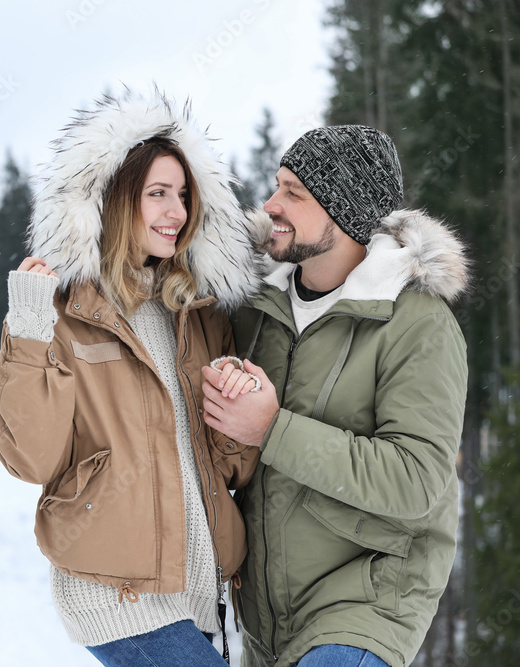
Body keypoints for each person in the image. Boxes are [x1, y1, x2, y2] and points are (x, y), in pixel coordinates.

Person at [0, 87, 264, 666]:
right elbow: (31, 458)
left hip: (198, 593)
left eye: (184, 196)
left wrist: (241, 405)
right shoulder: (67, 312)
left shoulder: (199, 310)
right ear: (113, 201)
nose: (177, 213)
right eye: (158, 194)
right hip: (117, 592)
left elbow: (233, 465)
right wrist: (30, 326)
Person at [199, 125, 469, 667]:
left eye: (294, 193)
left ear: (346, 213)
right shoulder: (256, 307)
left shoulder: (417, 324)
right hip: (266, 612)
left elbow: (415, 479)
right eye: (276, 185)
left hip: (369, 597)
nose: (271, 204)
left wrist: (270, 431)